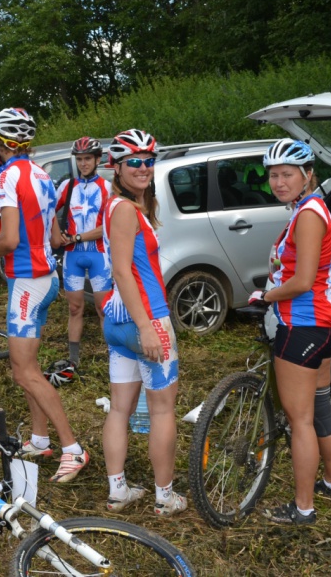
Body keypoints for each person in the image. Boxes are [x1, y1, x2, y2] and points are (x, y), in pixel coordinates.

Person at [0, 107, 89, 483]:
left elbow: (9, 239)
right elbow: (57, 238)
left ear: (0, 141)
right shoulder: (43, 174)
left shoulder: (9, 176)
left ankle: (72, 449)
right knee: (29, 367)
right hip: (46, 277)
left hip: (27, 281)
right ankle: (39, 439)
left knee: (24, 372)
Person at [251, 138, 331, 525]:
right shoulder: (309, 209)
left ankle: (303, 507)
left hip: (302, 324)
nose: (278, 181)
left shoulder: (308, 215)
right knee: (320, 405)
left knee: (300, 418)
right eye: (273, 175)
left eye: (287, 173)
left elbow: (304, 280)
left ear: (308, 174)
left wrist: (266, 295)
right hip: (323, 323)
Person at [100, 129, 186, 517]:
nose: (143, 168)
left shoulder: (124, 207)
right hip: (145, 319)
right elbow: (122, 271)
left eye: (149, 161)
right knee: (162, 411)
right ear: (116, 168)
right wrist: (148, 326)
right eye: (133, 162)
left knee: (120, 409)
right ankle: (164, 496)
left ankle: (118, 489)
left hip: (117, 321)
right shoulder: (123, 209)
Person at [54, 137, 113, 369]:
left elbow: (107, 228)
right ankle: (73, 360)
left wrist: (77, 237)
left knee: (103, 310)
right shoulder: (67, 187)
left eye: (88, 159)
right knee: (75, 308)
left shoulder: (107, 188)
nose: (83, 163)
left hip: (98, 255)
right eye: (79, 159)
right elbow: (49, 212)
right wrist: (56, 234)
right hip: (73, 257)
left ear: (98, 159)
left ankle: (114, 357)